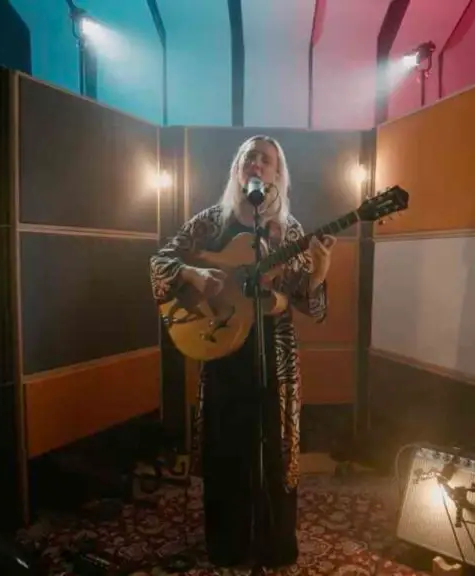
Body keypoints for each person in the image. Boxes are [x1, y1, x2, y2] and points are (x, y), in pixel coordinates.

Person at [149, 135, 335, 569]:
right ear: (238, 168)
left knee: (273, 449)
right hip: (222, 347)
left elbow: (311, 306)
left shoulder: (290, 230)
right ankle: (228, 545)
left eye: (266, 160)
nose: (257, 163)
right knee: (225, 446)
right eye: (250, 157)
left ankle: (274, 545)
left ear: (277, 174)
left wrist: (318, 273)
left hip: (275, 354)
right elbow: (160, 263)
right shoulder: (212, 222)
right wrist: (194, 275)